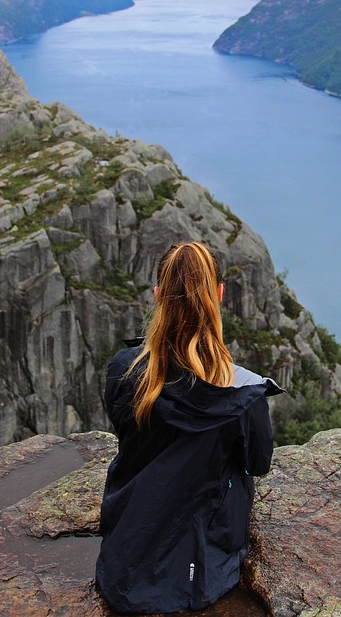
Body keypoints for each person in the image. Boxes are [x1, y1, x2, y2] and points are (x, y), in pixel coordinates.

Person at [96, 242, 283, 614]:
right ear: (218, 294)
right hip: (200, 570)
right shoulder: (243, 393)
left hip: (123, 558)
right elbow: (258, 462)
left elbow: (125, 434)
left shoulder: (125, 369)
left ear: (158, 296)